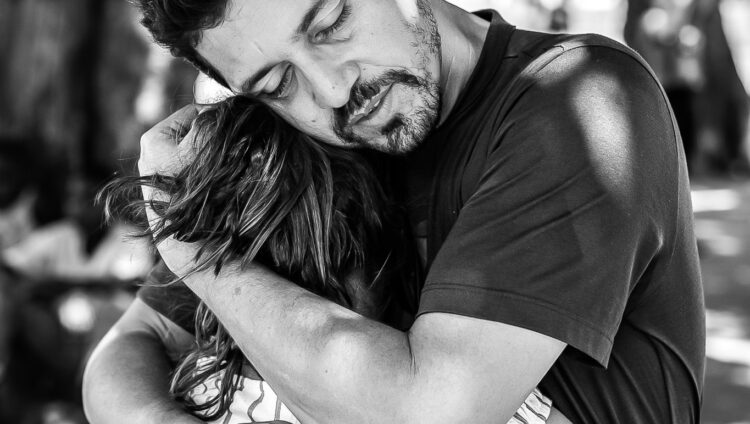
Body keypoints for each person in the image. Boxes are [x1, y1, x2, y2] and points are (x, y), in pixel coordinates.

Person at [83, 1, 705, 423]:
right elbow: (135, 342)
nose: (332, 90)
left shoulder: (580, 99)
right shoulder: (291, 149)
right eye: (277, 83)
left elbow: (430, 412)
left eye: (330, 22)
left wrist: (197, 257)